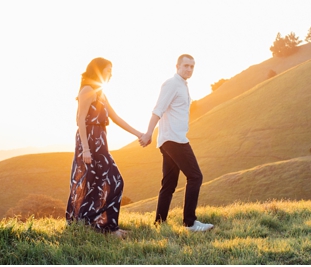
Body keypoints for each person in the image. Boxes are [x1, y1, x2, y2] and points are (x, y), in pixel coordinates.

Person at [65, 57, 144, 238]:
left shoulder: (101, 93)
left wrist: (138, 134)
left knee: (103, 182)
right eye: (108, 70)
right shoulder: (88, 90)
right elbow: (80, 120)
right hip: (90, 142)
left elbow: (116, 118)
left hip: (100, 140)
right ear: (99, 71)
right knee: (108, 181)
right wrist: (85, 148)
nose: (111, 73)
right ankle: (104, 227)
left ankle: (104, 226)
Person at [139, 54, 214, 232]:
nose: (189, 69)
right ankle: (189, 223)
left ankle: (159, 223)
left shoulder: (182, 85)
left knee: (169, 184)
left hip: (172, 139)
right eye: (186, 66)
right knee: (195, 176)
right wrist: (148, 132)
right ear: (177, 66)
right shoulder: (172, 84)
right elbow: (158, 109)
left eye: (192, 67)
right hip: (174, 140)